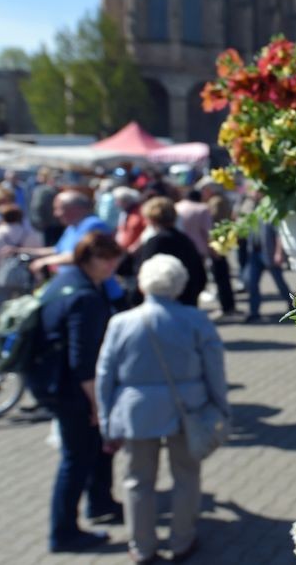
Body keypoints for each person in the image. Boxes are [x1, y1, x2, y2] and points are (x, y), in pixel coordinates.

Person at [96, 254, 229, 564]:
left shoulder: (120, 322)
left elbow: (106, 374)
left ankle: (142, 547)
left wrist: (106, 421)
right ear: (180, 284)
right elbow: (215, 369)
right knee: (186, 475)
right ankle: (182, 541)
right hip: (189, 410)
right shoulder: (196, 319)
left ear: (143, 284)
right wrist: (221, 407)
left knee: (137, 481)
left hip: (136, 412)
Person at [41, 232, 126, 553]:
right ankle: (64, 533)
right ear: (90, 259)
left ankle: (100, 503)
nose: (114, 264)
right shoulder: (85, 297)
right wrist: (96, 404)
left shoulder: (68, 280)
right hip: (71, 390)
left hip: (57, 381)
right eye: (108, 258)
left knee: (92, 450)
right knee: (75, 460)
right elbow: (82, 362)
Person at [0, 203, 41, 335]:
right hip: (24, 278)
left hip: (0, 278)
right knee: (23, 309)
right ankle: (21, 336)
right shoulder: (30, 234)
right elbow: (36, 256)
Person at [132, 197, 207, 307]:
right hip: (187, 303)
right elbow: (201, 275)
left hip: (160, 305)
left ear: (151, 219)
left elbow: (143, 274)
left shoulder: (154, 242)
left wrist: (135, 301)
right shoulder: (185, 240)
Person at [198, 179, 237, 316]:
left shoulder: (216, 202)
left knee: (221, 276)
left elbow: (212, 221)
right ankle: (227, 306)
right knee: (221, 275)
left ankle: (227, 307)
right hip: (220, 242)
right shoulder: (219, 200)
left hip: (218, 243)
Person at [243, 218, 291, 323]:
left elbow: (279, 234)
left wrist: (278, 253)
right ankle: (253, 312)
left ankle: (293, 304)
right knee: (251, 282)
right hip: (254, 253)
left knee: (280, 282)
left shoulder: (268, 213)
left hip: (269, 253)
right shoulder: (251, 211)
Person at [29, 168, 64, 248]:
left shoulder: (56, 190)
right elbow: (37, 207)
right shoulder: (42, 190)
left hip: (57, 225)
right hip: (48, 226)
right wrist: (40, 224)